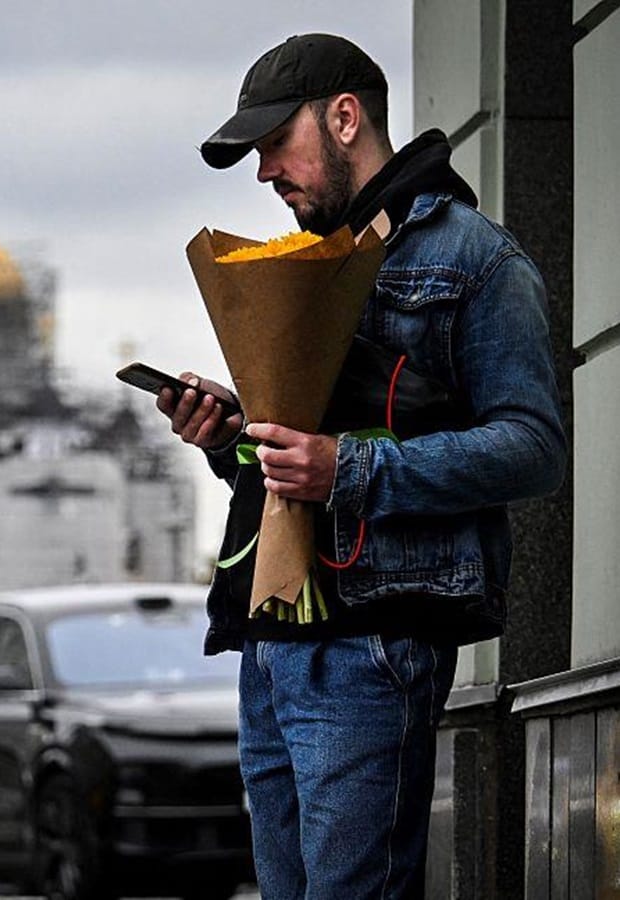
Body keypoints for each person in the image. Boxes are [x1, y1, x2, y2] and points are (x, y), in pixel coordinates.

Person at [155, 34, 566, 900]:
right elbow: (298, 461)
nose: (264, 172)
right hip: (271, 643)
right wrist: (231, 441)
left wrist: (344, 469)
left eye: (278, 142)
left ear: (345, 118)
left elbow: (532, 449)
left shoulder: (476, 258)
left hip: (374, 640)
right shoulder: (308, 263)